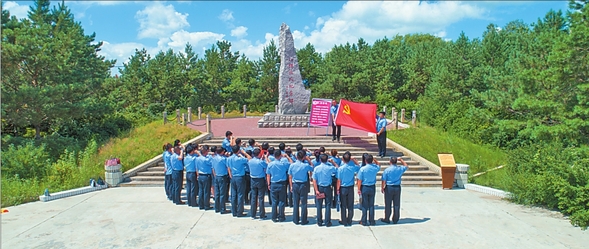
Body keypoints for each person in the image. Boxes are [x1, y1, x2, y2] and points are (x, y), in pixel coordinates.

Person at [380, 156, 408, 224]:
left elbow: (384, 180)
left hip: (389, 187)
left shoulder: (387, 170)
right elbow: (406, 166)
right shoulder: (400, 169)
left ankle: (387, 218)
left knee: (388, 204)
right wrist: (401, 160)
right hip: (397, 187)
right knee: (396, 204)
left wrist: (382, 187)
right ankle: (395, 219)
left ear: (390, 162)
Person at [288, 150, 314, 225]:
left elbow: (290, 176)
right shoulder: (305, 165)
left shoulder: (292, 165)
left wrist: (291, 186)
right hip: (303, 184)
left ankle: (295, 219)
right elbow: (312, 167)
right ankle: (303, 220)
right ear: (303, 157)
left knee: (295, 203)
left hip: (295, 184)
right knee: (304, 203)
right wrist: (309, 160)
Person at [312, 154, 338, 227]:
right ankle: (327, 221)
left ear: (320, 160)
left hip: (319, 188)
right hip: (327, 188)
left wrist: (316, 190)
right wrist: (333, 162)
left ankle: (319, 221)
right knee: (328, 204)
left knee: (319, 205)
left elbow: (314, 180)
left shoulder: (316, 168)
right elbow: (337, 168)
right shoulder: (329, 168)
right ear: (327, 160)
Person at [266, 150, 292, 222]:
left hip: (273, 183)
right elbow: (292, 164)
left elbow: (268, 175)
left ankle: (274, 217)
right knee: (281, 201)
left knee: (274, 201)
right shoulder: (283, 164)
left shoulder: (270, 164)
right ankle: (281, 216)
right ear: (280, 155)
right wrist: (287, 156)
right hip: (282, 183)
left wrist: (268, 184)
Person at [336, 152, 360, 226]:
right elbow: (359, 167)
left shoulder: (340, 169)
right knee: (350, 205)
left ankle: (344, 220)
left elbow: (339, 180)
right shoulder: (352, 167)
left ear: (343, 159)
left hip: (343, 188)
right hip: (350, 188)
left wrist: (337, 189)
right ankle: (349, 220)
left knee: (343, 205)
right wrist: (354, 160)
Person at [227, 145, 251, 217]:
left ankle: (234, 211)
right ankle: (240, 211)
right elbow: (249, 159)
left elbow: (228, 167)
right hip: (240, 177)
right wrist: (244, 154)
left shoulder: (229, 158)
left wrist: (230, 175)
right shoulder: (239, 159)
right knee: (240, 195)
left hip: (233, 177)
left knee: (233, 194)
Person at [357, 155, 380, 226]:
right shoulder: (375, 168)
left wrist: (358, 189)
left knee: (364, 205)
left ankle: (364, 221)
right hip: (372, 187)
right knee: (371, 205)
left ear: (365, 161)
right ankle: (372, 221)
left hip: (365, 187)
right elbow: (379, 165)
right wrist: (375, 159)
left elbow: (359, 180)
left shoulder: (362, 169)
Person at [248, 148, 268, 219]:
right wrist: (265, 158)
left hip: (253, 179)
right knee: (261, 198)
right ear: (259, 154)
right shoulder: (260, 162)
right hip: (260, 179)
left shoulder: (250, 161)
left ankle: (253, 214)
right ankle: (261, 214)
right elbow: (267, 166)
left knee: (253, 197)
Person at [212, 147, 229, 214]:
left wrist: (215, 175)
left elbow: (213, 168)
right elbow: (228, 167)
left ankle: (217, 208)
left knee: (217, 193)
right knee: (222, 193)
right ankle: (222, 209)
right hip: (222, 176)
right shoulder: (223, 159)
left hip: (216, 176)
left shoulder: (214, 158)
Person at [196, 145, 213, 210]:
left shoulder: (197, 158)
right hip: (206, 176)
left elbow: (196, 168)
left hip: (200, 175)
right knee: (206, 191)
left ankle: (201, 204)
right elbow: (211, 163)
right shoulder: (207, 159)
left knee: (201, 191)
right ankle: (206, 205)